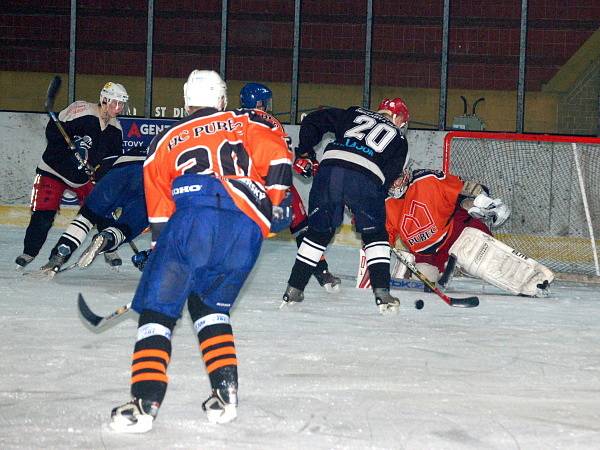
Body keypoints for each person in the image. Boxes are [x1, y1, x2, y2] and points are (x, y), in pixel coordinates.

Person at [109, 70, 292, 432]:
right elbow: (277, 153)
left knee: (158, 312)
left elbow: (160, 212)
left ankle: (144, 404)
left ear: (185, 102)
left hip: (193, 219)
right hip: (245, 227)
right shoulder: (244, 119)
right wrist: (278, 202)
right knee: (209, 307)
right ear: (222, 100)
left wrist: (162, 258)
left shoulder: (164, 140)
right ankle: (225, 397)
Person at [281, 98, 410, 314]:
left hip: (329, 169)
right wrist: (363, 206)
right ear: (397, 118)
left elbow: (313, 120)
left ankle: (293, 288)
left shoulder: (352, 112)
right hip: (365, 179)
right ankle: (382, 293)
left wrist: (305, 152)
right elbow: (385, 180)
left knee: (318, 233)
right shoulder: (400, 139)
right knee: (376, 235)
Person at [385, 168, 554, 297]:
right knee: (420, 282)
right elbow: (383, 238)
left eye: (397, 179)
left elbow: (464, 189)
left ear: (406, 173)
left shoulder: (426, 179)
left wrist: (480, 202)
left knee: (480, 256)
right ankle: (448, 267)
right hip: (428, 256)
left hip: (458, 232)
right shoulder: (382, 202)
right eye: (389, 180)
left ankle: (535, 279)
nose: (393, 185)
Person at [15, 82, 129, 268]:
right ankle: (29, 252)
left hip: (83, 176)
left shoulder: (116, 130)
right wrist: (71, 147)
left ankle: (109, 247)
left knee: (104, 207)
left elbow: (110, 161)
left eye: (121, 104)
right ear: (104, 99)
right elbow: (53, 130)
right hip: (53, 170)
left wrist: (99, 174)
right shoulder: (81, 110)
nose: (118, 108)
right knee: (43, 214)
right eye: (115, 103)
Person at [240, 82, 341, 291]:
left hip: (242, 181)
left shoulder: (232, 120)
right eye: (265, 102)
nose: (267, 106)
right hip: (270, 179)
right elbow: (279, 153)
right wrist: (300, 163)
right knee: (301, 224)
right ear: (258, 103)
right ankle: (321, 271)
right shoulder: (270, 122)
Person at [37, 145, 148, 274]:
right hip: (151, 181)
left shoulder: (137, 150)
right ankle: (107, 238)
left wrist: (98, 182)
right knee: (126, 227)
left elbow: (104, 166)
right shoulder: (171, 159)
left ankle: (59, 254)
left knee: (87, 217)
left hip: (119, 172)